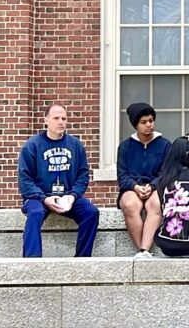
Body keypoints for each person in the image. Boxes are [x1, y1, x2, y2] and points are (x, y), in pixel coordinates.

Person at [18, 104, 99, 257]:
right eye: (56, 118)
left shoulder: (75, 145)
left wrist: (72, 195)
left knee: (91, 212)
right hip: (39, 197)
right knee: (34, 213)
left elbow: (83, 175)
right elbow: (25, 180)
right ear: (46, 120)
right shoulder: (32, 145)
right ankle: (32, 260)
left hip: (67, 196)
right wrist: (45, 198)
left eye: (64, 118)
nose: (61, 122)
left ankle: (82, 259)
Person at [116, 102, 170, 257]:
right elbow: (122, 175)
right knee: (130, 205)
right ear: (135, 125)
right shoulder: (125, 147)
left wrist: (152, 186)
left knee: (156, 204)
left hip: (156, 186)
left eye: (151, 121)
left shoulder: (165, 145)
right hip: (132, 188)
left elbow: (166, 173)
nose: (149, 125)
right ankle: (142, 251)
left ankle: (144, 250)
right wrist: (135, 187)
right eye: (143, 122)